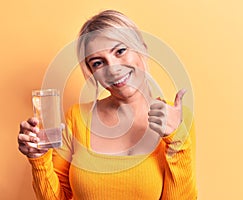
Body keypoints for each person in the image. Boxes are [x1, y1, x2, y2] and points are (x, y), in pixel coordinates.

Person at [18, 10, 197, 200]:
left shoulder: (176, 118)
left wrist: (177, 140)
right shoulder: (77, 117)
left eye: (120, 51)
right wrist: (38, 158)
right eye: (98, 63)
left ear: (142, 48)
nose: (112, 68)